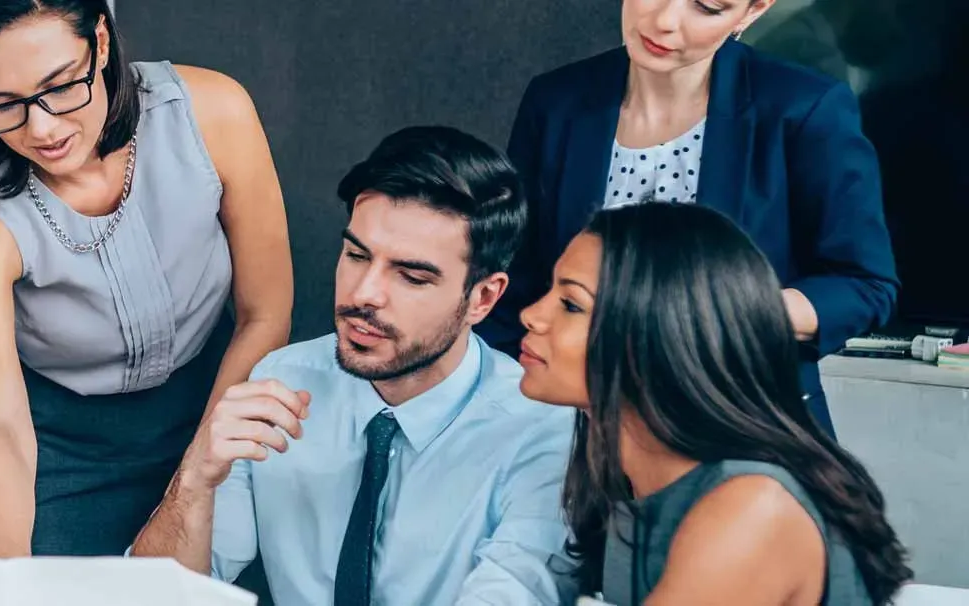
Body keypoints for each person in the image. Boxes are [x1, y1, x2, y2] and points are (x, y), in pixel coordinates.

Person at [0, 0, 293, 557]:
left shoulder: (213, 112)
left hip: (218, 398)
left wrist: (197, 473)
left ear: (102, 42)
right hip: (67, 451)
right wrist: (13, 584)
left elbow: (265, 313)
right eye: (3, 106)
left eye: (61, 86)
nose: (43, 128)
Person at [130, 127, 575, 605]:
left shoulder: (542, 430)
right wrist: (194, 478)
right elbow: (153, 598)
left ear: (482, 299)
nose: (364, 294)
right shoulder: (282, 381)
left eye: (411, 276)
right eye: (356, 255)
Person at [484, 0, 899, 437]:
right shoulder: (557, 101)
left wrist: (709, 313)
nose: (663, 21)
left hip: (739, 423)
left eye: (707, 7)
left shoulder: (802, 108)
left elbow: (864, 285)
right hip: (569, 429)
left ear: (752, 12)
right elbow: (516, 278)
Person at [514, 201, 911, 604]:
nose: (531, 315)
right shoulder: (622, 481)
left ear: (660, 334)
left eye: (571, 305)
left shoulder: (751, 506)